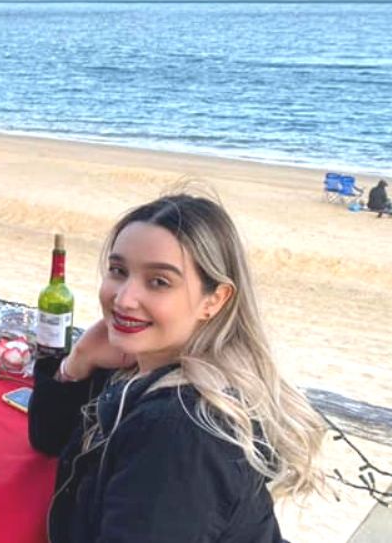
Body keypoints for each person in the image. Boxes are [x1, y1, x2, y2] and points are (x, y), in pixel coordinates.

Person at [29, 194, 325, 542]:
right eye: (118, 271)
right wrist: (78, 362)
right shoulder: (142, 362)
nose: (124, 298)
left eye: (159, 282)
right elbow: (48, 439)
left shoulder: (181, 428)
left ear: (214, 300)